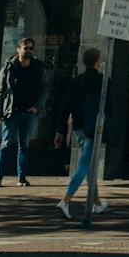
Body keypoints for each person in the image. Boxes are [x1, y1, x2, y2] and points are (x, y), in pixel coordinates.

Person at [52, 48, 105, 220]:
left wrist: (60, 130)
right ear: (97, 61)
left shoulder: (77, 81)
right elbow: (108, 106)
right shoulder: (103, 81)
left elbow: (65, 105)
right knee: (84, 165)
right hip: (93, 128)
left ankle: (96, 202)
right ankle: (66, 200)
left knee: (88, 164)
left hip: (78, 127)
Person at [0, 36, 46, 187]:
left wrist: (37, 106)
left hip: (28, 112)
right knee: (5, 143)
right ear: (18, 49)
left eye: (30, 48)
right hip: (11, 111)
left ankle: (21, 177)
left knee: (24, 144)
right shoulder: (9, 67)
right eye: (25, 48)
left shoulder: (37, 67)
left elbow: (44, 88)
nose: (28, 51)